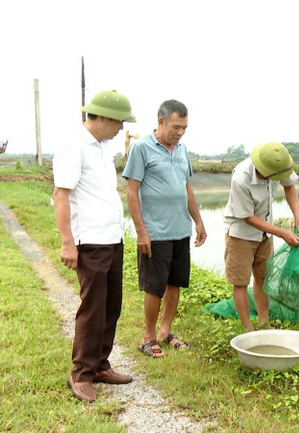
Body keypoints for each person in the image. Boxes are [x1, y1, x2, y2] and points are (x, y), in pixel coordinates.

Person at [52, 89, 136, 402]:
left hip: (112, 239)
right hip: (90, 242)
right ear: (99, 117)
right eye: (117, 122)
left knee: (111, 306)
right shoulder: (75, 146)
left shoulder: (103, 147)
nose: (120, 128)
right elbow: (61, 196)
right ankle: (81, 374)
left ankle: (100, 364)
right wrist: (67, 244)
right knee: (92, 309)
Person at [123, 99, 206, 358]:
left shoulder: (181, 150)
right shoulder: (142, 148)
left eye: (184, 127)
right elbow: (131, 190)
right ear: (161, 121)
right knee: (154, 286)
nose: (180, 132)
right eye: (176, 127)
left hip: (180, 230)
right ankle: (148, 337)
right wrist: (141, 231)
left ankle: (165, 331)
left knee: (174, 283)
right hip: (155, 232)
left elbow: (186, 188)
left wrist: (198, 221)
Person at [224, 142, 299, 331]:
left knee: (263, 277)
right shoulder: (241, 178)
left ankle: (264, 322)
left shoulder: (279, 166)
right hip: (241, 233)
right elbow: (246, 216)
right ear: (266, 171)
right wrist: (281, 232)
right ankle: (247, 328)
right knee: (240, 281)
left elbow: (290, 187)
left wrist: (297, 216)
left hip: (265, 231)